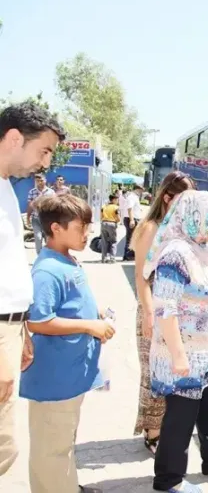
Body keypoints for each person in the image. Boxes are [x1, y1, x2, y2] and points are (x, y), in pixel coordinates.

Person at [144, 190, 208, 493]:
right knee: (181, 417)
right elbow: (165, 309)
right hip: (183, 354)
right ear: (196, 218)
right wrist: (178, 356)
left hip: (205, 354)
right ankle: (169, 480)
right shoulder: (175, 254)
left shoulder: (199, 249)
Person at [21, 193, 114, 493]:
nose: (87, 233)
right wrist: (90, 325)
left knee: (62, 442)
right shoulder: (48, 270)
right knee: (52, 450)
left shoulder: (66, 260)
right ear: (56, 228)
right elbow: (38, 321)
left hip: (68, 375)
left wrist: (95, 312)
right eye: (81, 227)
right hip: (55, 379)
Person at [0, 101, 65, 477]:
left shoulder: (7, 187)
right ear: (14, 138)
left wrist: (19, 326)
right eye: (43, 150)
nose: (45, 163)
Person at [131, 171, 194, 453]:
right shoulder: (151, 228)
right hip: (153, 309)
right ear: (167, 198)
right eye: (184, 198)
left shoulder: (182, 229)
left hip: (176, 312)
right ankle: (153, 433)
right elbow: (141, 277)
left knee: (172, 373)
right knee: (153, 373)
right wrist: (148, 313)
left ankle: (165, 429)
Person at [26, 173, 55, 254]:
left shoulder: (51, 192)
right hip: (36, 218)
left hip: (47, 219)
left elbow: (54, 205)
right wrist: (28, 217)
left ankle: (48, 254)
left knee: (47, 238)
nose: (40, 182)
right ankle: (39, 255)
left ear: (45, 180)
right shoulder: (32, 192)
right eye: (38, 181)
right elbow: (30, 205)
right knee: (38, 237)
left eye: (41, 180)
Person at [123, 184, 144, 260]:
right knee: (130, 238)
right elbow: (130, 208)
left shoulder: (134, 197)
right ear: (137, 189)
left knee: (133, 237)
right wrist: (132, 220)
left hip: (133, 219)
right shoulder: (132, 197)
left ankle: (130, 255)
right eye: (141, 190)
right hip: (131, 219)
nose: (141, 192)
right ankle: (128, 255)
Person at [100, 193, 120, 263]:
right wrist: (116, 221)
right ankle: (112, 258)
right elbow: (118, 218)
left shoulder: (104, 207)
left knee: (104, 241)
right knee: (113, 241)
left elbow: (101, 217)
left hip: (103, 223)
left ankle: (104, 258)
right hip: (112, 224)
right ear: (114, 200)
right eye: (117, 200)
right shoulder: (116, 207)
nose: (117, 201)